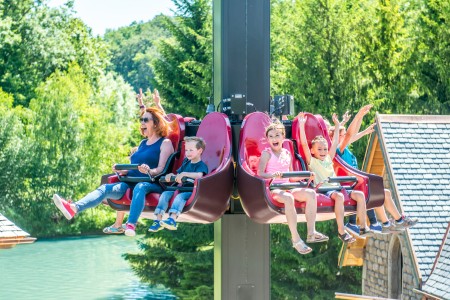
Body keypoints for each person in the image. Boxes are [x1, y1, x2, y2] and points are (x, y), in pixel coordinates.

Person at [53, 106, 175, 237]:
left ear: (156, 123)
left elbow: (162, 169)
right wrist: (124, 170)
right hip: (130, 182)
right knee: (105, 188)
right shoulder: (142, 144)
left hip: (151, 183)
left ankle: (131, 224)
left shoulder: (165, 143)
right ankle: (74, 208)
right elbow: (134, 167)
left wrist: (149, 170)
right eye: (141, 120)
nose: (142, 123)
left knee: (140, 187)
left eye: (146, 120)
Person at [331, 105, 418, 234]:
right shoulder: (339, 150)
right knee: (378, 191)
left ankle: (391, 222)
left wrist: (361, 119)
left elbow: (352, 134)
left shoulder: (344, 148)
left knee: (386, 193)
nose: (345, 137)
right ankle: (389, 222)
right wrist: (359, 115)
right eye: (341, 135)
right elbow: (349, 134)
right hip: (351, 186)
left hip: (356, 184)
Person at [298, 112, 374, 244]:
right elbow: (304, 144)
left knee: (360, 195)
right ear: (313, 151)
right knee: (339, 197)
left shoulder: (328, 158)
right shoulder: (312, 161)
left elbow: (333, 143)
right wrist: (301, 125)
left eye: (324, 149)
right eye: (320, 149)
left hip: (336, 187)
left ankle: (363, 227)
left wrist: (338, 125)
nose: (323, 152)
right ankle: (341, 231)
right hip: (324, 189)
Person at [258, 120, 327, 255]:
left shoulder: (287, 153)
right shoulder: (266, 154)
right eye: (271, 136)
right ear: (267, 140)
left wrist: (306, 177)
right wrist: (273, 175)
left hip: (288, 186)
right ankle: (296, 240)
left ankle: (311, 232)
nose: (274, 139)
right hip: (274, 188)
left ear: (283, 137)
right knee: (288, 197)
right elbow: (260, 173)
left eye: (277, 135)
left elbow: (291, 177)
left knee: (310, 193)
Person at [103, 88, 166, 234]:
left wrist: (157, 104)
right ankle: (118, 223)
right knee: (125, 179)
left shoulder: (161, 139)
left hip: (149, 169)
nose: (143, 124)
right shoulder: (145, 140)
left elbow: (162, 119)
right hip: (142, 156)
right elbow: (146, 119)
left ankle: (122, 223)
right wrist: (141, 104)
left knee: (133, 181)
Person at [148, 136, 208, 232]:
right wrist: (171, 175)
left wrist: (185, 174)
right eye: (186, 150)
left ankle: (172, 219)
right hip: (181, 189)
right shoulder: (186, 162)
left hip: (191, 191)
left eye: (191, 150)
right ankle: (158, 220)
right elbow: (178, 174)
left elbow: (199, 175)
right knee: (165, 194)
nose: (188, 153)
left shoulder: (201, 165)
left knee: (179, 197)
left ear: (199, 151)